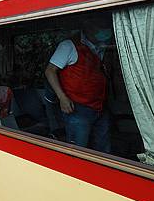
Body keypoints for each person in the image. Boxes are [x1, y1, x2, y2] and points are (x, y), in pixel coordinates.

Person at [44, 17, 113, 152]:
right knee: (79, 150)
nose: (104, 32)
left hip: (99, 107)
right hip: (78, 108)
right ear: (88, 28)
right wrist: (62, 98)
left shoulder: (102, 46)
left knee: (103, 148)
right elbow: (50, 71)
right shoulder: (69, 46)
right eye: (100, 27)